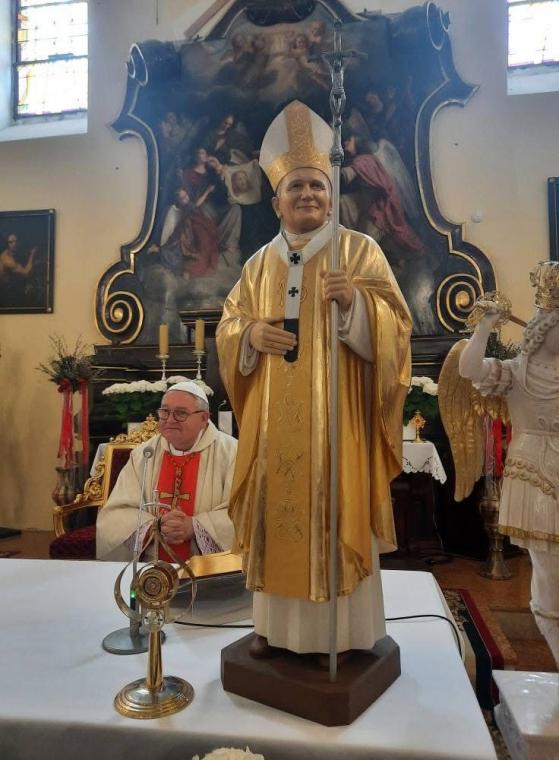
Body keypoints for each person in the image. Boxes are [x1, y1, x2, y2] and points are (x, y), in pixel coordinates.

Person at [216, 101, 412, 658]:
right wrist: (250, 335)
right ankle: (275, 630)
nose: (307, 194)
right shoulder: (257, 265)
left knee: (333, 514)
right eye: (295, 186)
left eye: (317, 186)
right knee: (275, 514)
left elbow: (398, 329)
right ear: (276, 200)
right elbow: (230, 325)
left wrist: (356, 306)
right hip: (274, 430)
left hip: (336, 429)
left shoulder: (359, 251)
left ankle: (343, 635)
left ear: (331, 193)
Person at [459, 262, 559, 667]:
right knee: (548, 570)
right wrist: (485, 326)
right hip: (535, 474)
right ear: (543, 329)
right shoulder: (516, 373)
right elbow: (468, 369)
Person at [96, 381, 237, 562]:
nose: (170, 420)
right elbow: (116, 514)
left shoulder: (232, 453)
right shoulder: (144, 454)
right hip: (151, 565)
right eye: (165, 412)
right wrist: (154, 527)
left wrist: (196, 527)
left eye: (181, 413)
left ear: (203, 418)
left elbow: (245, 514)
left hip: (209, 567)